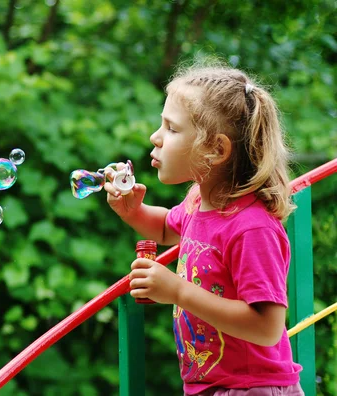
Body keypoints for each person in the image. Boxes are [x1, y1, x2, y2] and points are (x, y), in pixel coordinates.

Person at [104, 62, 304, 395]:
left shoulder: (252, 227)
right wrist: (134, 212)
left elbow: (268, 327)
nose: (155, 137)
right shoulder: (200, 200)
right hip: (212, 386)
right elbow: (168, 227)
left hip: (252, 389)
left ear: (216, 150)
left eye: (171, 128)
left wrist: (178, 291)